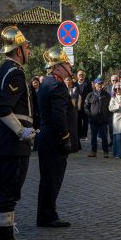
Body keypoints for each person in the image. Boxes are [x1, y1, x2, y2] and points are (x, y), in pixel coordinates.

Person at [0, 25, 35, 240]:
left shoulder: (0, 71)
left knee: (1, 191)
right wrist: (21, 131)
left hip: (1, 141)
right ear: (18, 50)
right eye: (27, 47)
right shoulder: (15, 72)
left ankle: (1, 236)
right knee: (9, 191)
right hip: (13, 144)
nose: (29, 51)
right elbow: (2, 108)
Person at [35, 47, 77, 228]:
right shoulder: (57, 85)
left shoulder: (46, 83)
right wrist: (65, 138)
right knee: (53, 179)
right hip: (54, 140)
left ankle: (45, 214)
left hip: (46, 137)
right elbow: (59, 116)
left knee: (47, 179)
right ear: (59, 66)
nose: (70, 66)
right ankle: (48, 216)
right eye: (67, 63)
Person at [84, 78, 111, 158]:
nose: (100, 85)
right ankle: (93, 151)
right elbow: (86, 107)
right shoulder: (90, 95)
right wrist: (90, 115)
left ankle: (105, 152)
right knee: (93, 137)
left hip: (103, 120)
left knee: (104, 137)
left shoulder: (107, 95)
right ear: (94, 85)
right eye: (98, 84)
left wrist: (107, 116)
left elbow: (110, 107)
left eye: (101, 84)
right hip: (93, 120)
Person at [75, 70, 92, 140]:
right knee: (78, 120)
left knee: (85, 121)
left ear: (84, 76)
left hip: (85, 105)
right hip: (77, 105)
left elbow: (90, 93)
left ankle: (84, 135)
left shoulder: (87, 84)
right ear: (77, 76)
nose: (81, 76)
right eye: (79, 75)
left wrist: (88, 101)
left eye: (82, 75)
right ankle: (79, 134)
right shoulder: (74, 84)